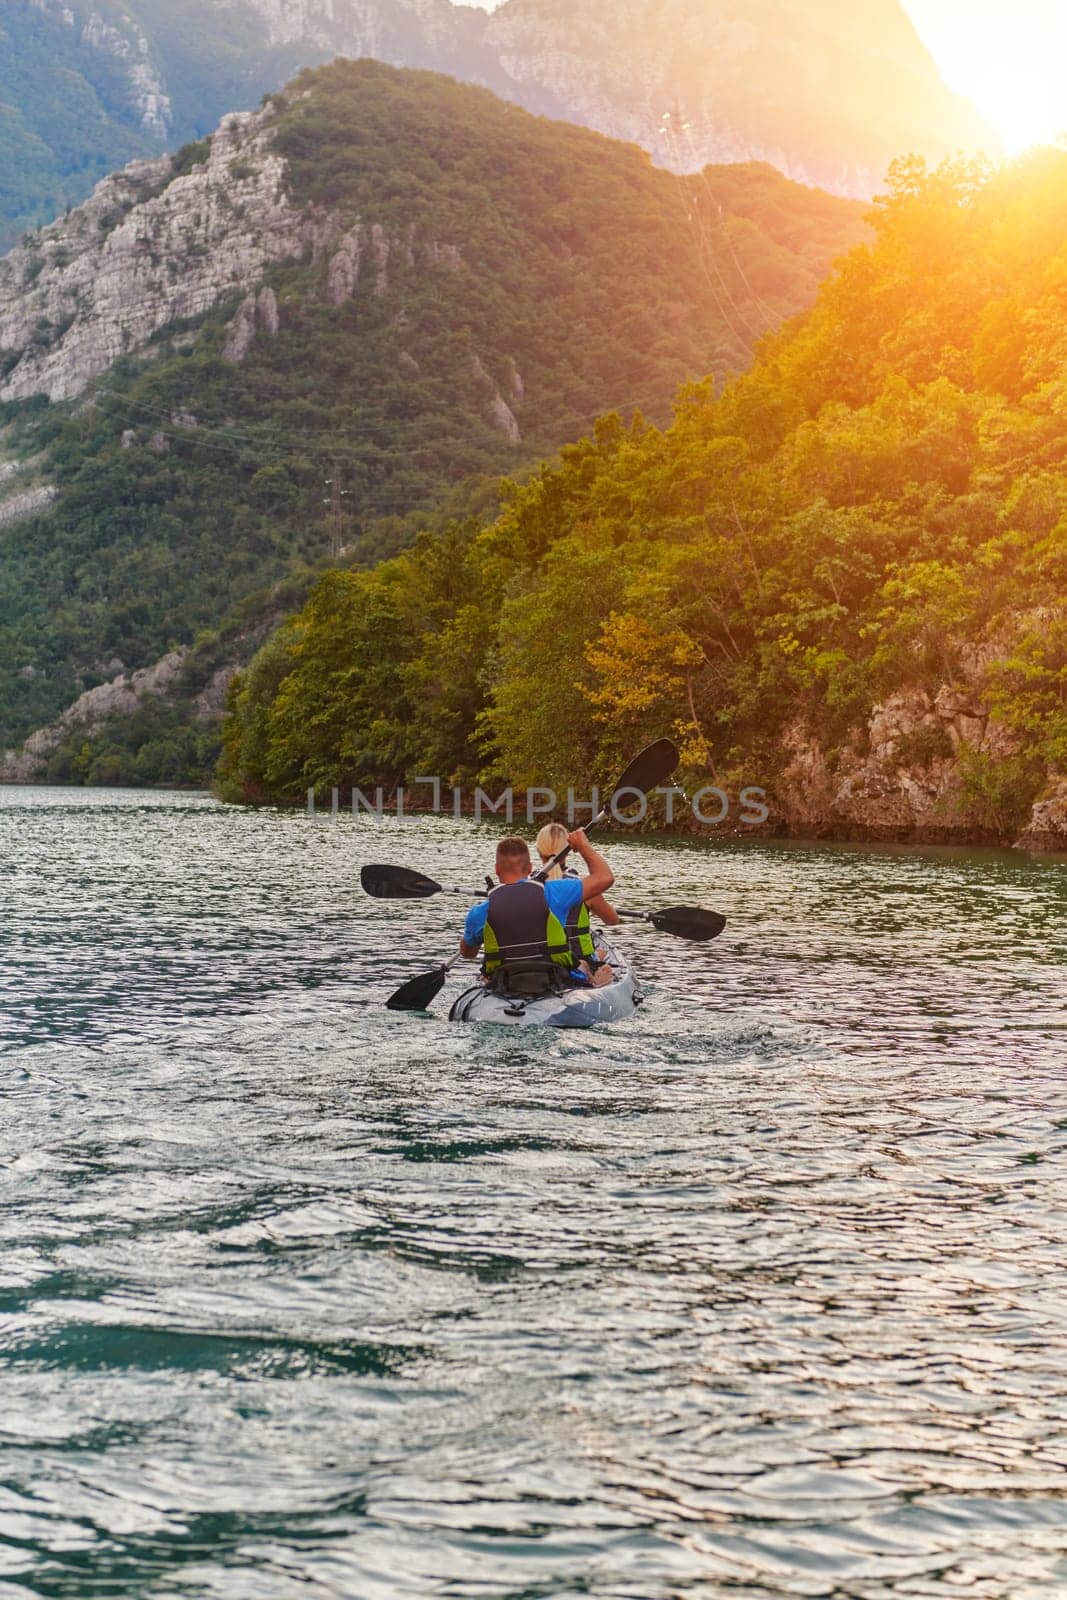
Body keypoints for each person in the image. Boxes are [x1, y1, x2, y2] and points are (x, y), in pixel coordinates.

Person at [460, 830, 615, 996]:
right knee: (583, 964)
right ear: (530, 868)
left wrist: (471, 936)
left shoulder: (480, 912)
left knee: (484, 977)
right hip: (556, 979)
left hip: (505, 983)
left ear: (497, 870)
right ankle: (596, 983)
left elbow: (468, 953)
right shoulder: (554, 893)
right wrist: (583, 846)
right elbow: (605, 878)